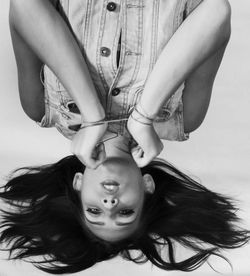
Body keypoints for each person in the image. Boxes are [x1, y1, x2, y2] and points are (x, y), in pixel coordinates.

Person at [0, 0, 249, 274]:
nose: (110, 204)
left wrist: (91, 114)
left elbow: (25, 5)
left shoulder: (42, 108)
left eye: (94, 211)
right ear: (148, 187)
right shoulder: (183, 118)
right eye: (125, 213)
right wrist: (144, 116)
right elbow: (217, 11)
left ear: (78, 184)